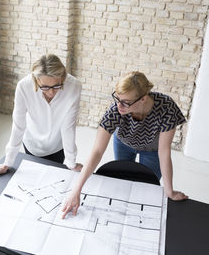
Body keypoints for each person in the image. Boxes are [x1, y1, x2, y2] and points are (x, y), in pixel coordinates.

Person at [62, 71, 188, 219]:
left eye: (126, 102)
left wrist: (169, 191)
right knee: (123, 177)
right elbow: (96, 151)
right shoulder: (116, 110)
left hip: (152, 149)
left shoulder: (166, 107)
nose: (119, 105)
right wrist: (76, 191)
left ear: (143, 99)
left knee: (147, 183)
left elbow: (164, 152)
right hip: (123, 143)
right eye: (117, 98)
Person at [0, 54, 82, 175]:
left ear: (63, 78)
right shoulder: (24, 87)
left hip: (57, 145)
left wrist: (71, 162)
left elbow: (68, 127)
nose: (51, 92)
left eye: (57, 86)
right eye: (45, 87)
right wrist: (7, 162)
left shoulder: (74, 87)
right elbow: (18, 125)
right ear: (36, 81)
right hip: (32, 144)